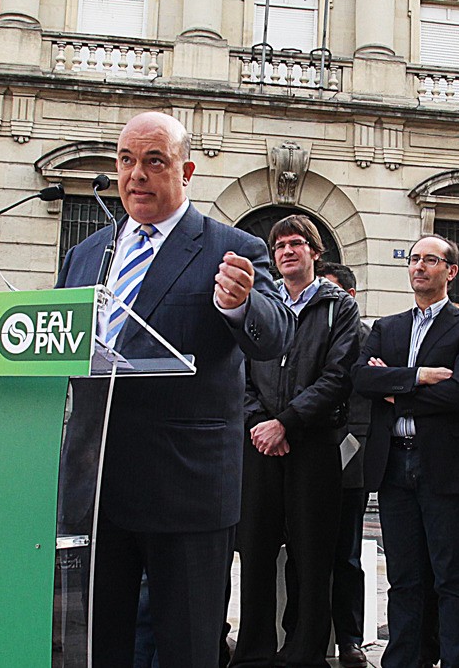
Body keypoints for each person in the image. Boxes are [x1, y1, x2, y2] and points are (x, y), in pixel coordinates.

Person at [55, 111, 294, 667]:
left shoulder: (229, 247)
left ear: (186, 170)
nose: (136, 174)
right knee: (98, 645)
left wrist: (240, 305)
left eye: (153, 161)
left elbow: (275, 335)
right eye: (126, 160)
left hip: (185, 488)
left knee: (187, 648)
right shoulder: (87, 253)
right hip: (95, 488)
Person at [352, 234, 459, 668]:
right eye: (413, 259)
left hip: (445, 464)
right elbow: (360, 379)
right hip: (394, 462)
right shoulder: (387, 327)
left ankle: (455, 660)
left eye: (430, 260)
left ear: (450, 271)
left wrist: (394, 387)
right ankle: (403, 660)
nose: (418, 267)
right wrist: (418, 377)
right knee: (405, 577)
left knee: (452, 576)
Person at [231, 216, 361, 668]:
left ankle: (304, 653)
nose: (287, 251)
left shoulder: (338, 307)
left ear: (315, 251)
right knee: (256, 552)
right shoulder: (260, 304)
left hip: (313, 444)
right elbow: (241, 371)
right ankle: (253, 653)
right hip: (260, 444)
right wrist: (260, 423)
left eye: (296, 244)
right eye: (280, 245)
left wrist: (286, 422)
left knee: (311, 556)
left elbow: (338, 376)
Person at [315, 260, 374, 668]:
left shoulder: (368, 338)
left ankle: (350, 639)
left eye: (333, 294)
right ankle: (304, 637)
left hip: (348, 457)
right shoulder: (301, 328)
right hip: (303, 455)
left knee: (347, 557)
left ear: (350, 298)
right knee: (303, 556)